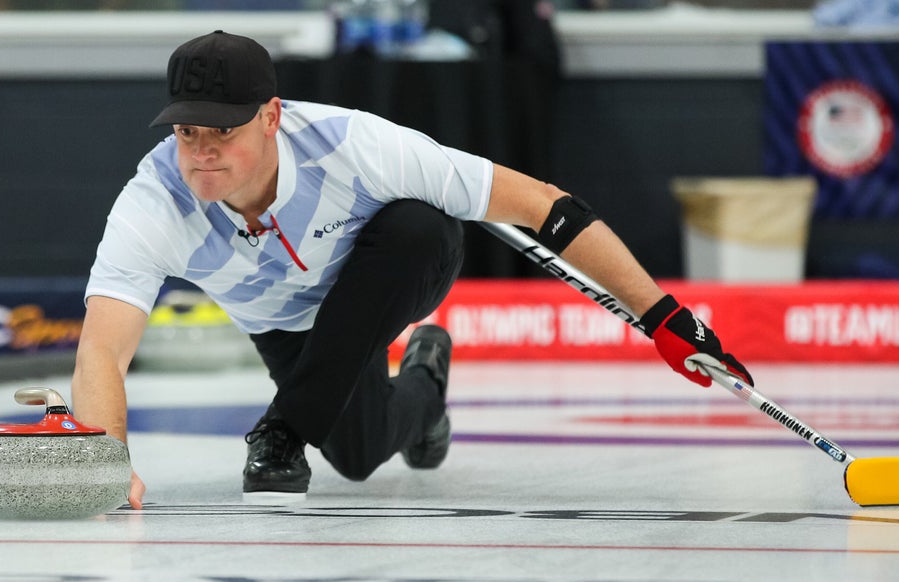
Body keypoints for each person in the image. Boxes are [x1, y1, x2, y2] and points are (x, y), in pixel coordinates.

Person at [71, 30, 753, 508]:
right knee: (360, 454)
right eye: (188, 133)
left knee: (419, 225)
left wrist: (663, 316)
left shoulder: (354, 145)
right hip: (291, 325)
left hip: (393, 268)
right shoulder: (155, 199)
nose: (202, 153)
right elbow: (103, 346)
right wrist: (105, 464)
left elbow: (545, 207)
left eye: (224, 131)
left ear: (272, 116)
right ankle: (425, 374)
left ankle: (282, 427)